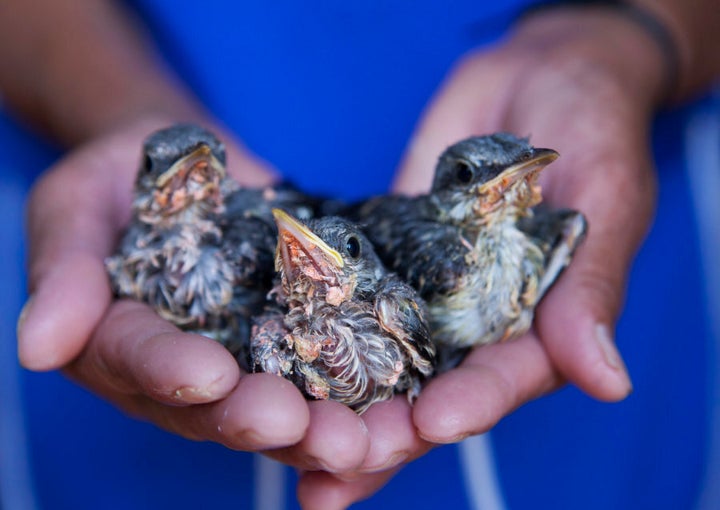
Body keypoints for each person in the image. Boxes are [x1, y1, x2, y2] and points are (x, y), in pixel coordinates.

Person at [1, 0, 718, 508]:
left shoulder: (480, 257)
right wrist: (118, 111)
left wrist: (628, 36)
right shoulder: (273, 316)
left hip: (627, 405)